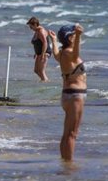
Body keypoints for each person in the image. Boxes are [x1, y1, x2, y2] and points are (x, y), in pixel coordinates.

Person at [48, 24, 87, 162]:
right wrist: (79, 36)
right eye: (74, 35)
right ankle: (69, 166)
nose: (76, 37)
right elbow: (76, 53)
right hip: (76, 95)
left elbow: (55, 55)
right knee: (72, 134)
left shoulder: (63, 54)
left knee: (66, 134)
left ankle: (64, 162)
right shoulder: (71, 53)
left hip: (67, 95)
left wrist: (53, 40)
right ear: (70, 38)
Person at [27, 16, 51, 82]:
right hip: (39, 53)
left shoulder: (41, 31)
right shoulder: (36, 31)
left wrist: (43, 55)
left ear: (35, 24)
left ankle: (45, 82)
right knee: (36, 70)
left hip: (44, 53)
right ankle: (44, 81)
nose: (30, 28)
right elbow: (37, 43)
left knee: (41, 71)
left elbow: (45, 43)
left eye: (31, 26)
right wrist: (36, 53)